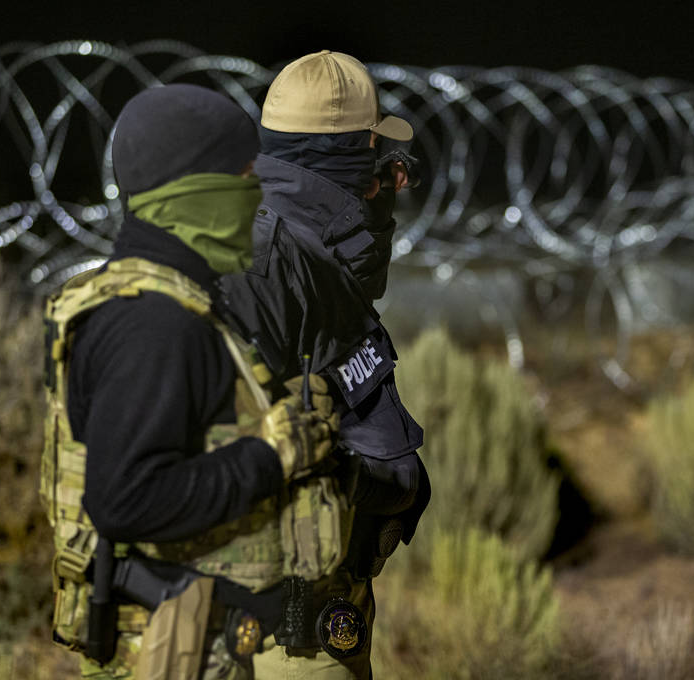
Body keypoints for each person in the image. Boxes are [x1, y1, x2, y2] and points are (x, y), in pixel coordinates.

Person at [39, 83, 346, 679]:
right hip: (173, 653)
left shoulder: (169, 301)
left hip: (194, 645)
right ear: (197, 192)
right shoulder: (156, 324)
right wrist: (272, 456)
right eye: (245, 177)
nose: (257, 196)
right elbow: (125, 499)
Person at [218, 50, 432, 680]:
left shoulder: (310, 234)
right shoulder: (263, 258)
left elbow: (338, 341)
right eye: (372, 149)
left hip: (329, 596)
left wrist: (374, 206)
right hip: (281, 628)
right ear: (342, 154)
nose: (384, 170)